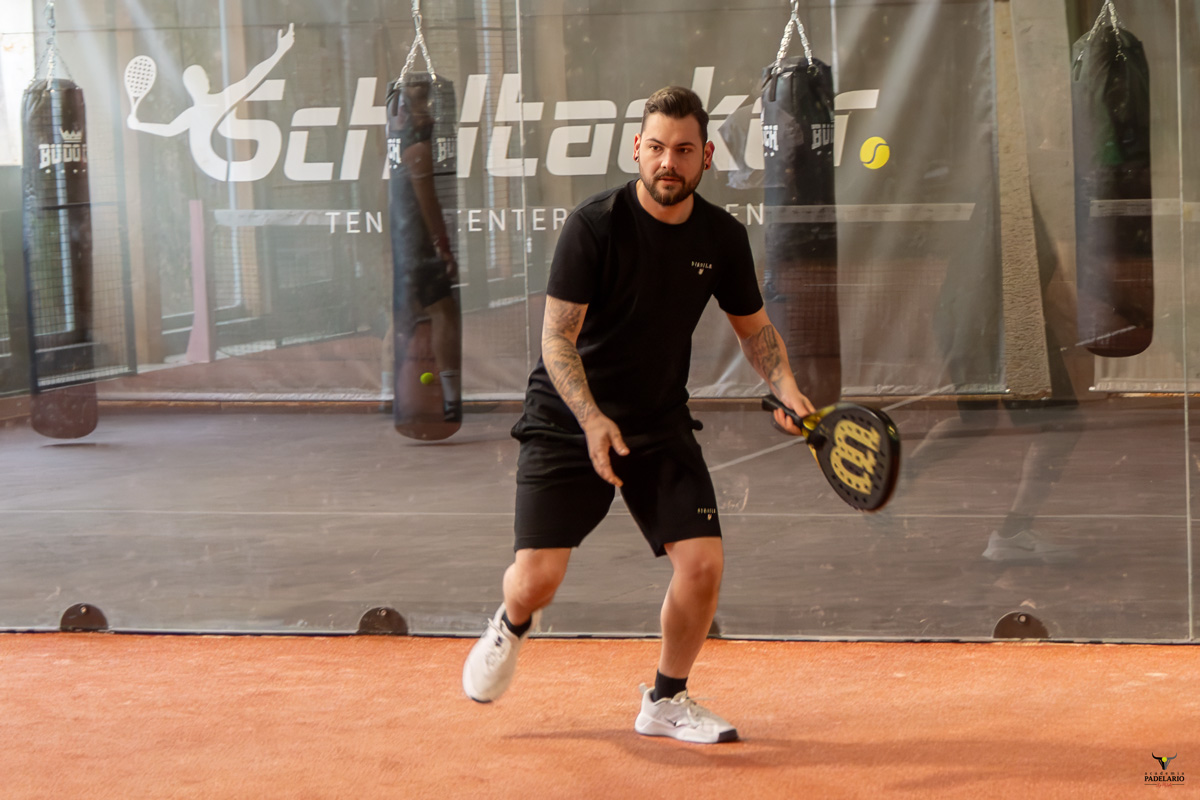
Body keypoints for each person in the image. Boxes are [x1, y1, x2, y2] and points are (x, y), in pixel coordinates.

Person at [461, 86, 814, 743]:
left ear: (706, 155)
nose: (667, 163)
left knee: (703, 563)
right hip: (569, 418)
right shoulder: (594, 225)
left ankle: (665, 699)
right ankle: (510, 623)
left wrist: (787, 386)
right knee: (537, 581)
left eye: (683, 151)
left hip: (656, 420)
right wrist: (593, 419)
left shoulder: (722, 237)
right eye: (656, 148)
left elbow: (755, 332)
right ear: (637, 150)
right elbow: (557, 339)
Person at [383, 75, 462, 422]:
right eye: (419, 106)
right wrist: (444, 249)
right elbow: (429, 205)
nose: (428, 114)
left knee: (403, 319)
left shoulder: (396, 149)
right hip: (418, 249)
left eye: (428, 105)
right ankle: (451, 400)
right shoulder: (417, 152)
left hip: (404, 250)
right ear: (404, 111)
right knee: (444, 312)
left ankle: (390, 392)